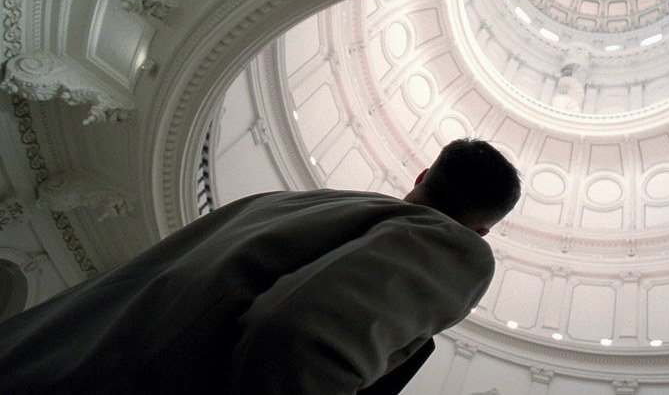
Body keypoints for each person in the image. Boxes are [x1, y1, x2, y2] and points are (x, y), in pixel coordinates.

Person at [0, 138, 521, 394]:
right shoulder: (454, 248)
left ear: (423, 174)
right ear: (480, 233)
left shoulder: (280, 204)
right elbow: (299, 341)